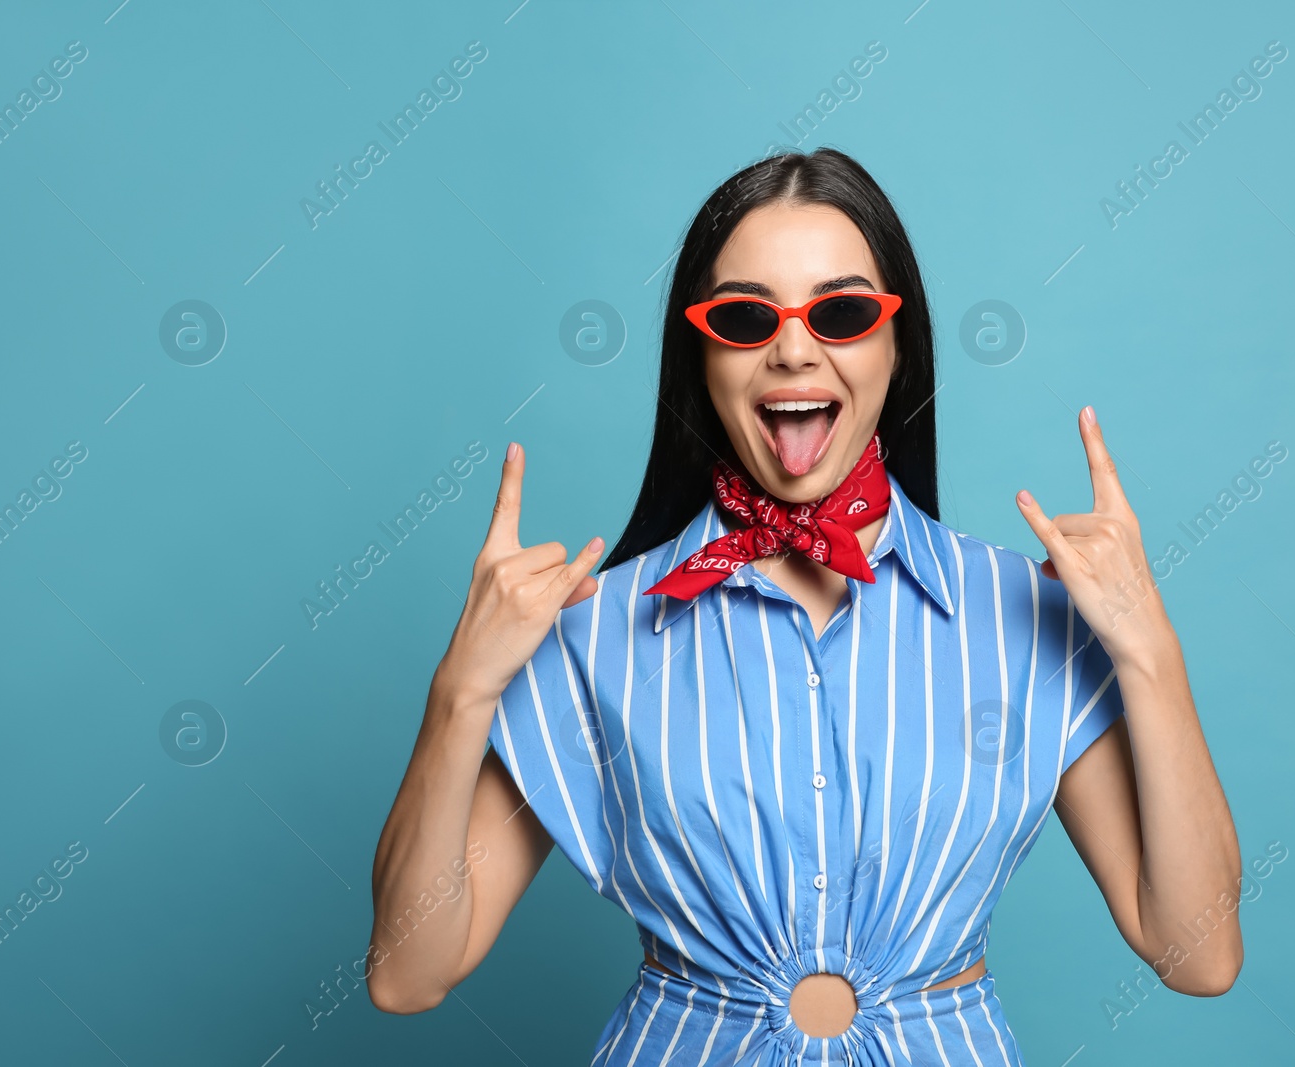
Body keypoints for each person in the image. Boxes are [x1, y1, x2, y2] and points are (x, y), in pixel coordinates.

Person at [367, 147, 1242, 1063]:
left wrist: (1151, 651)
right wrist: (460, 691)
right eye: (746, 317)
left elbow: (1199, 953)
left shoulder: (1025, 616)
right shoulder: (593, 630)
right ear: (698, 354)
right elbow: (407, 974)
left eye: (843, 311)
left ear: (897, 347)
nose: (793, 347)